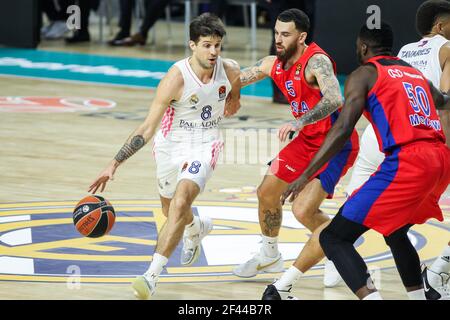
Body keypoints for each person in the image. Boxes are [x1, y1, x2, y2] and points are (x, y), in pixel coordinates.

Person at [278, 22, 450, 300]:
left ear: (363, 47)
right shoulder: (414, 73)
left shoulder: (365, 73)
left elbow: (343, 128)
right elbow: (443, 100)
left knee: (333, 237)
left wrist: (306, 174)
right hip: (441, 160)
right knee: (395, 231)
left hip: (409, 162)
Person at [88, 13, 241, 299]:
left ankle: (150, 276)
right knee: (171, 212)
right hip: (171, 145)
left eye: (218, 45)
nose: (213, 52)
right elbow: (147, 127)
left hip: (205, 144)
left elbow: (237, 86)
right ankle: (196, 228)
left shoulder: (229, 69)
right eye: (207, 45)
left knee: (182, 201)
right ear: (192, 45)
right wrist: (114, 163)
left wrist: (234, 99)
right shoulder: (175, 79)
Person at [232, 9, 359, 289]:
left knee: (303, 210)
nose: (278, 39)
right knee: (266, 192)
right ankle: (269, 253)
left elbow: (335, 98)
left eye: (285, 34)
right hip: (306, 140)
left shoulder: (317, 61)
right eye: (276, 33)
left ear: (301, 37)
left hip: (334, 143)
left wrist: (299, 120)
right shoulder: (272, 63)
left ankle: (336, 252)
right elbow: (235, 79)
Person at [344, 0, 450, 300]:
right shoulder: (447, 49)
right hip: (419, 146)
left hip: (378, 138)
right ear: (440, 26)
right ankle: (440, 271)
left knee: (351, 223)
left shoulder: (402, 52)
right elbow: (444, 104)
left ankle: (320, 269)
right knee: (393, 227)